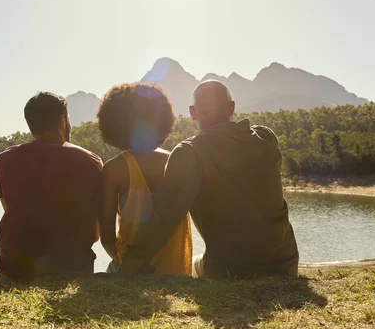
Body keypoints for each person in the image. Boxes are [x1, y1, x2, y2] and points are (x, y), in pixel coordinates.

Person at [120, 80, 299, 279]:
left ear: (192, 113)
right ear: (232, 108)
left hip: (233, 270)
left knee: (196, 266)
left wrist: (129, 264)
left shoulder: (190, 152)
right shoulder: (266, 137)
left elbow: (163, 216)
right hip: (286, 265)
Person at [0, 92, 103, 281]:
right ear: (62, 120)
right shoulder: (90, 161)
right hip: (71, 264)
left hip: (16, 265)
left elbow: (11, 209)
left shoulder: (5, 159)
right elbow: (95, 228)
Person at [97, 82, 192, 275]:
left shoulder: (114, 170)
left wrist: (126, 264)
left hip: (131, 270)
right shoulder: (176, 161)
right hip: (175, 270)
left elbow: (106, 238)